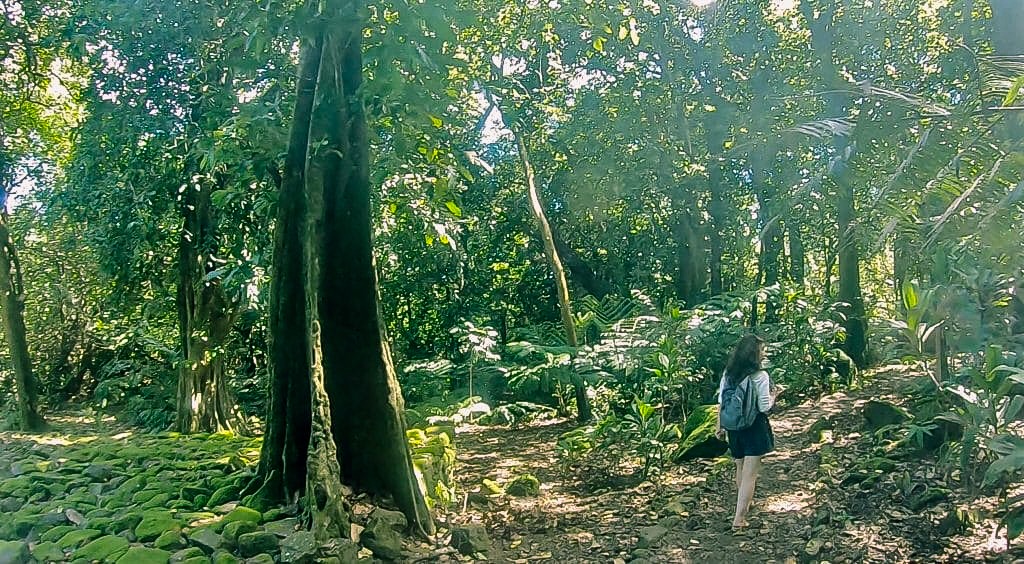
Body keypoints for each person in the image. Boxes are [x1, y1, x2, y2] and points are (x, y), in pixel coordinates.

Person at [715, 334, 778, 531]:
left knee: (740, 468)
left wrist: (720, 426)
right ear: (754, 354)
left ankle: (745, 504)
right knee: (751, 475)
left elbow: (721, 402)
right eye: (762, 350)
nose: (764, 353)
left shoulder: (729, 373)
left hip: (733, 427)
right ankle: (739, 519)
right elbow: (764, 407)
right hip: (754, 427)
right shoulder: (760, 376)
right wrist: (774, 395)